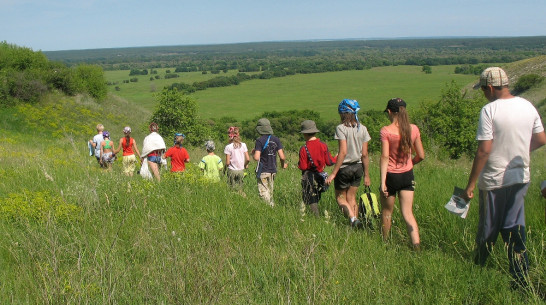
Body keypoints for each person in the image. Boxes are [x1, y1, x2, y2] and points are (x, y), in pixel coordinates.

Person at [462, 67, 546, 288]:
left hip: (494, 180)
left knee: (488, 230)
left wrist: (470, 184)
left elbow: (483, 151)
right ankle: (520, 278)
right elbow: (541, 138)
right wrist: (520, 151)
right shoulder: (527, 106)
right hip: (520, 176)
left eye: (483, 89)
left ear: (489, 87)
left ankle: (476, 275)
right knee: (515, 228)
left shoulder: (490, 110)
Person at [379, 98, 425, 249]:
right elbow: (421, 155)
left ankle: (384, 243)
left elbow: (385, 157)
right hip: (407, 175)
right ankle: (416, 246)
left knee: (387, 212)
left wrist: (382, 182)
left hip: (391, 175)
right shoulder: (413, 129)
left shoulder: (386, 131)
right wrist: (410, 163)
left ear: (390, 112)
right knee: (408, 214)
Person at [325, 99, 371, 228]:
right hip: (358, 167)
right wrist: (367, 175)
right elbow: (365, 154)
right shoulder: (363, 129)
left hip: (345, 168)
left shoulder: (341, 128)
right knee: (352, 198)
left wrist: (333, 173)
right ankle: (356, 224)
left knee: (340, 198)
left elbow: (343, 152)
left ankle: (353, 219)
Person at [298, 120, 336, 216]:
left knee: (310, 196)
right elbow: (329, 162)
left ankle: (315, 216)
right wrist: (337, 157)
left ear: (304, 134)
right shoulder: (323, 145)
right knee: (316, 194)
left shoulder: (304, 148)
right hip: (319, 176)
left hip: (308, 175)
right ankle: (316, 214)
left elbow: (303, 166)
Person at [253, 118, 288, 207]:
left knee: (264, 193)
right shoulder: (276, 139)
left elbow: (257, 158)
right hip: (273, 170)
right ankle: (272, 208)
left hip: (263, 170)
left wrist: (253, 153)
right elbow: (282, 156)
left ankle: (268, 209)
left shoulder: (259, 141)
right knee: (270, 192)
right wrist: (283, 165)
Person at [224, 127, 250, 195]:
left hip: (232, 170)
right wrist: (245, 165)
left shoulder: (228, 147)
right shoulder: (243, 145)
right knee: (240, 189)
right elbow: (248, 159)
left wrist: (224, 169)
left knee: (232, 189)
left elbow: (227, 162)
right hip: (241, 170)